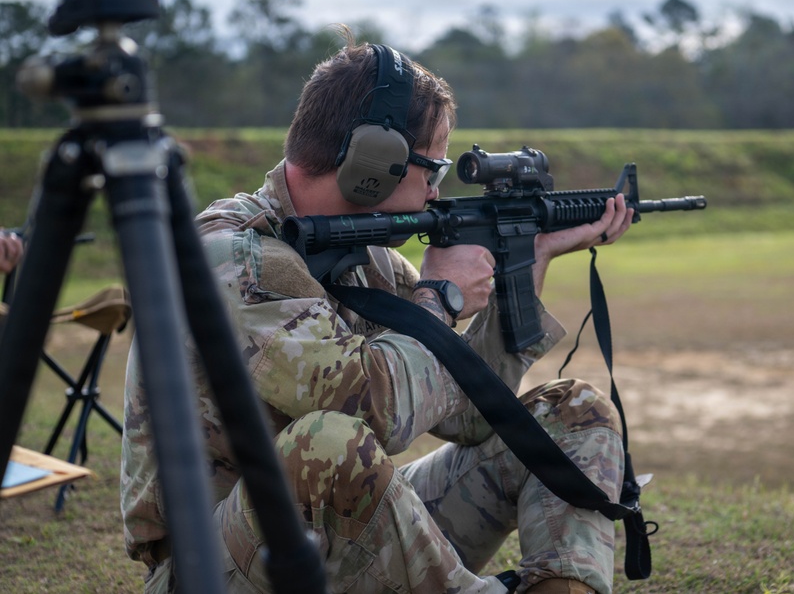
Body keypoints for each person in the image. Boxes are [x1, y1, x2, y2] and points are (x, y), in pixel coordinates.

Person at [120, 32, 633, 594]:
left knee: (573, 412)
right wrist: (442, 297)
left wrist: (527, 266)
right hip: (212, 569)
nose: (436, 193)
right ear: (375, 163)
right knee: (328, 444)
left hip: (330, 542)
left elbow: (470, 416)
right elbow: (369, 409)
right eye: (431, 170)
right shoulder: (232, 256)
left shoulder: (371, 262)